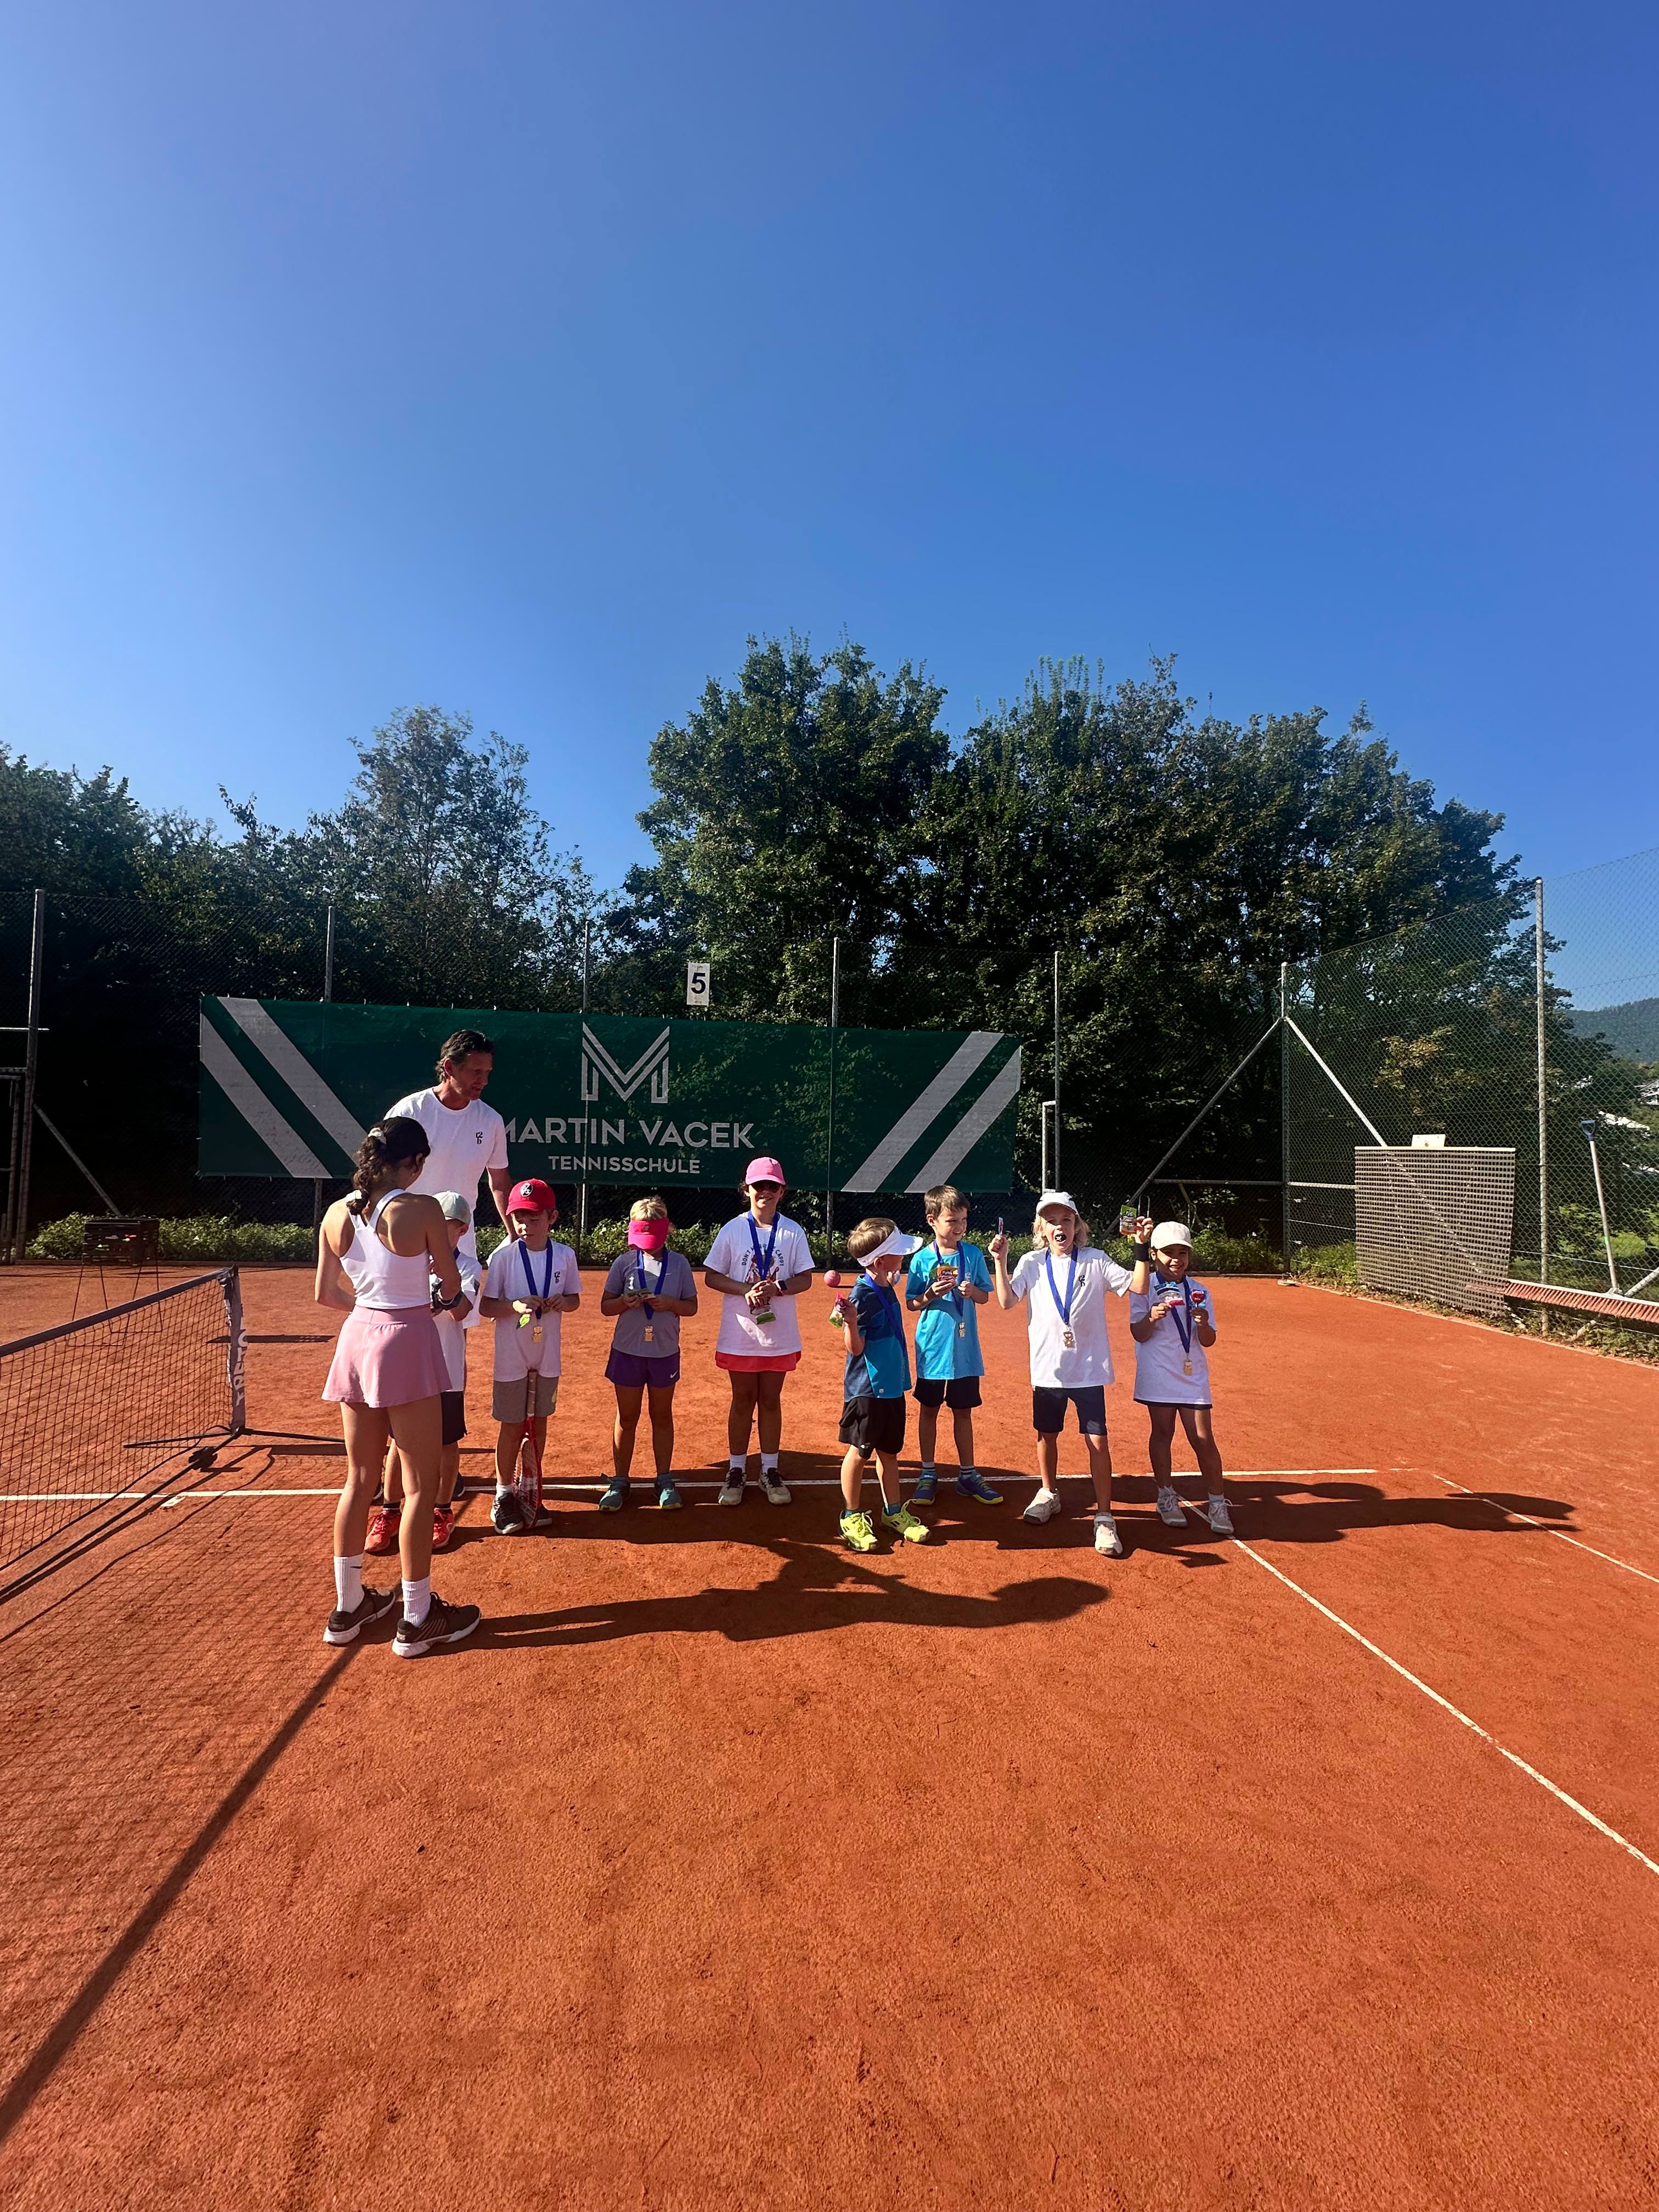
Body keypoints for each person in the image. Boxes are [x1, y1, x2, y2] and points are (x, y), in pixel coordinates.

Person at [315, 1117, 482, 1657]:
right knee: (418, 1486)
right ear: (411, 1163)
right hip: (407, 1342)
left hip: (357, 1338)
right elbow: (452, 1285)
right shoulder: (423, 1209)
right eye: (421, 1164)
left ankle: (348, 1608)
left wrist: (371, 1310)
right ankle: (416, 1618)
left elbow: (325, 1292)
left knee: (360, 1477)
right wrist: (420, 1300)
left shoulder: (337, 1212)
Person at [990, 1193, 1154, 1557]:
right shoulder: (1032, 1262)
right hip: (1049, 1370)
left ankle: (1105, 1517)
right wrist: (1001, 1262)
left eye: (1066, 1220)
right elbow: (1006, 1301)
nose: (1059, 1227)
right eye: (1051, 1221)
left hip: (1088, 1372)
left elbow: (1140, 1287)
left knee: (1097, 1442)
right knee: (1046, 1435)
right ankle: (1049, 1493)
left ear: (1077, 1226)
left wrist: (1141, 1249)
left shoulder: (1096, 1260)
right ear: (1041, 1229)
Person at [368, 1190, 481, 1555]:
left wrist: (443, 1295)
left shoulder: (468, 1267)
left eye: (445, 1226)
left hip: (446, 1369)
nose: (435, 1231)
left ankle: (443, 1511)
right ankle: (389, 1511)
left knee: (447, 1442)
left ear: (461, 1229)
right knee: (400, 1443)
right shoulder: (407, 1261)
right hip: (408, 1368)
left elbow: (462, 1310)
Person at [702, 1157, 814, 1506]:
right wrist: (744, 1290)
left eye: (773, 1186)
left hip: (777, 1334)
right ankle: (736, 1470)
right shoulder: (732, 1229)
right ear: (746, 1189)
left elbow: (805, 1278)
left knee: (770, 1401)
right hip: (741, 1333)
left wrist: (777, 1287)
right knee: (742, 1400)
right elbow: (711, 1276)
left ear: (782, 1191)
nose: (765, 1191)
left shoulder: (793, 1231)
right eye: (759, 1186)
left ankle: (769, 1469)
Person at [478, 1178, 580, 1535]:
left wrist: (562, 1303)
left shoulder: (565, 1256)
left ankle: (531, 1488)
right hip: (511, 1357)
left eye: (534, 1218)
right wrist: (514, 1305)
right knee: (510, 1424)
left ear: (552, 1217)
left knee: (539, 1424)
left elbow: (574, 1299)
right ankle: (503, 1495)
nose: (525, 1225)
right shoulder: (503, 1257)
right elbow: (487, 1305)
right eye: (519, 1217)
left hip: (548, 1356)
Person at [832, 1218, 931, 1552]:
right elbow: (856, 1349)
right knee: (859, 1453)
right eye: (898, 1255)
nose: (903, 1259)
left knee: (890, 1453)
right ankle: (851, 1515)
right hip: (868, 1390)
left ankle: (893, 1512)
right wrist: (849, 1323)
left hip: (891, 1387)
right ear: (879, 1261)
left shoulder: (886, 1286)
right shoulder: (862, 1297)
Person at [597, 1195, 699, 1511]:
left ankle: (664, 1479)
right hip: (627, 1352)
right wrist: (625, 1302)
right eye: (642, 1240)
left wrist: (670, 1304)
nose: (648, 1247)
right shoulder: (623, 1263)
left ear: (666, 1231)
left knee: (661, 1415)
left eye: (653, 1240)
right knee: (627, 1417)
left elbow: (692, 1307)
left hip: (664, 1353)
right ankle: (620, 1481)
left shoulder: (680, 1264)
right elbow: (605, 1307)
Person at [1130, 1221, 1232, 1534]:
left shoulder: (1201, 1291)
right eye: (1169, 1253)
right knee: (1163, 1433)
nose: (1177, 1259)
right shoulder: (1142, 1289)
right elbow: (1138, 1333)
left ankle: (1217, 1501)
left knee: (1203, 1438)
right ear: (1154, 1254)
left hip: (1193, 1375)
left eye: (1183, 1253)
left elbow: (1209, 1340)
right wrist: (1152, 1316)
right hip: (1158, 1371)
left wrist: (1202, 1324)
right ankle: (1165, 1496)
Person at [905, 1182, 1001, 1507]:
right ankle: (928, 1473)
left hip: (964, 1352)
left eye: (963, 1220)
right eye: (952, 1221)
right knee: (929, 1410)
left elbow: (985, 1296)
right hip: (933, 1350)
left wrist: (969, 1292)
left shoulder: (972, 1255)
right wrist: (931, 1294)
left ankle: (968, 1475)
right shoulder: (920, 1260)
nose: (959, 1227)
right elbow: (912, 1304)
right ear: (933, 1220)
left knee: (963, 1412)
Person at [385, 1028, 513, 1261]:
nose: (483, 1081)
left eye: (487, 1073)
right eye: (476, 1072)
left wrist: (513, 1232)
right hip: (406, 1237)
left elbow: (500, 1183)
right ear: (449, 1068)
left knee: (461, 1300)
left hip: (460, 1243)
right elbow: (381, 1172)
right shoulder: (410, 1112)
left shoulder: (491, 1120)